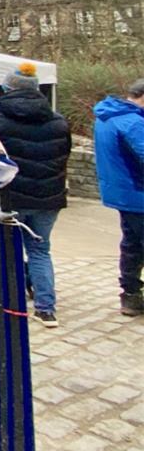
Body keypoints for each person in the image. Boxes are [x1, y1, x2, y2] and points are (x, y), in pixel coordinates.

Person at [0, 63, 71, 327]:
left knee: (7, 250)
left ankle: (10, 302)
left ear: (7, 88)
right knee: (40, 250)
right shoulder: (58, 122)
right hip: (48, 196)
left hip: (9, 194)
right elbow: (63, 155)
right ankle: (46, 307)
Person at [92, 78, 144, 317]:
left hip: (121, 193)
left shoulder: (107, 117)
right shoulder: (132, 122)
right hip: (138, 192)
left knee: (132, 245)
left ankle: (131, 296)